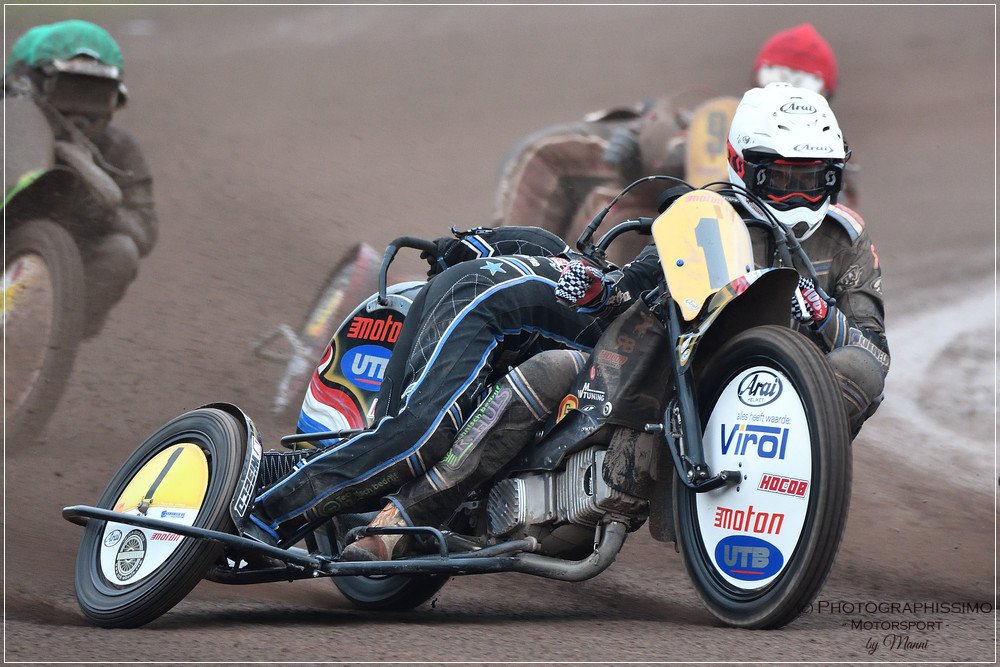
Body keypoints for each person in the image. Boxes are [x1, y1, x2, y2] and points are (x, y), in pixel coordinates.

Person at [341, 83, 888, 561]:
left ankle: (785, 496)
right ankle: (395, 521)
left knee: (860, 372)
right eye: (784, 178)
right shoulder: (711, 214)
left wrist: (824, 317)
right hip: (670, 383)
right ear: (744, 167)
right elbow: (641, 276)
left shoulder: (847, 242)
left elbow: (875, 354)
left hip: (772, 407)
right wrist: (603, 286)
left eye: (815, 178)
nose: (800, 195)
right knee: (553, 369)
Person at [241, 226, 607, 547]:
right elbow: (452, 255)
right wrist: (457, 251)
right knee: (419, 436)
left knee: (420, 445)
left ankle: (284, 475)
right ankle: (264, 514)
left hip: (497, 331)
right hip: (473, 301)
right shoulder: (547, 251)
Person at [493, 23, 850, 248]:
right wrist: (640, 137)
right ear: (757, 75)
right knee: (557, 165)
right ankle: (510, 274)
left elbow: (839, 226)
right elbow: (682, 151)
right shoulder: (720, 119)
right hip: (681, 206)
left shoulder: (831, 158)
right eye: (777, 71)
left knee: (616, 216)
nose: (786, 85)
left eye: (803, 79)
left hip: (763, 253)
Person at [4, 19, 157, 337]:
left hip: (63, 267)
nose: (79, 109)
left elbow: (144, 231)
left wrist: (101, 199)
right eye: (69, 89)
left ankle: (48, 346)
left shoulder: (118, 148)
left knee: (121, 252)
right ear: (27, 86)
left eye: (94, 94)